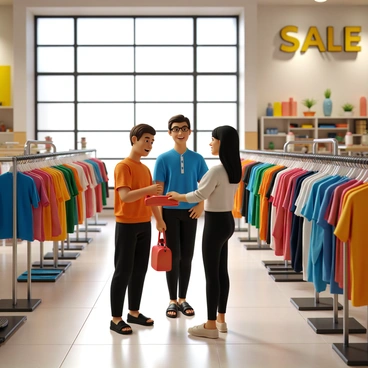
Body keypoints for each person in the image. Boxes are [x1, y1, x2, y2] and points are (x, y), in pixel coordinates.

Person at [168, 125, 242, 339]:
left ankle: (210, 326)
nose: (210, 143)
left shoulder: (217, 170)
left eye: (213, 139)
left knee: (212, 275)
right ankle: (221, 319)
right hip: (227, 221)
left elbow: (199, 194)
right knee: (221, 272)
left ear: (222, 142)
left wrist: (177, 196)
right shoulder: (234, 168)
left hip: (214, 223)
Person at [110, 124, 165, 335]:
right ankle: (116, 318)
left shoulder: (145, 169)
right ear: (134, 139)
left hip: (144, 224)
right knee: (122, 271)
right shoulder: (123, 166)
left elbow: (150, 200)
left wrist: (159, 219)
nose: (149, 145)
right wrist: (150, 189)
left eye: (152, 141)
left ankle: (133, 312)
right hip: (126, 225)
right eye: (146, 140)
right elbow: (125, 196)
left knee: (140, 270)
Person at [153, 114, 208, 318]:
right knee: (172, 257)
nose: (180, 132)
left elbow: (205, 186)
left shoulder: (198, 158)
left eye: (184, 128)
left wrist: (201, 205)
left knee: (187, 257)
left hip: (191, 212)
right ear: (169, 133)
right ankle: (172, 300)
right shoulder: (163, 159)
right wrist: (158, 219)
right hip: (169, 214)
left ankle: (183, 298)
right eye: (176, 129)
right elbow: (157, 193)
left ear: (189, 132)